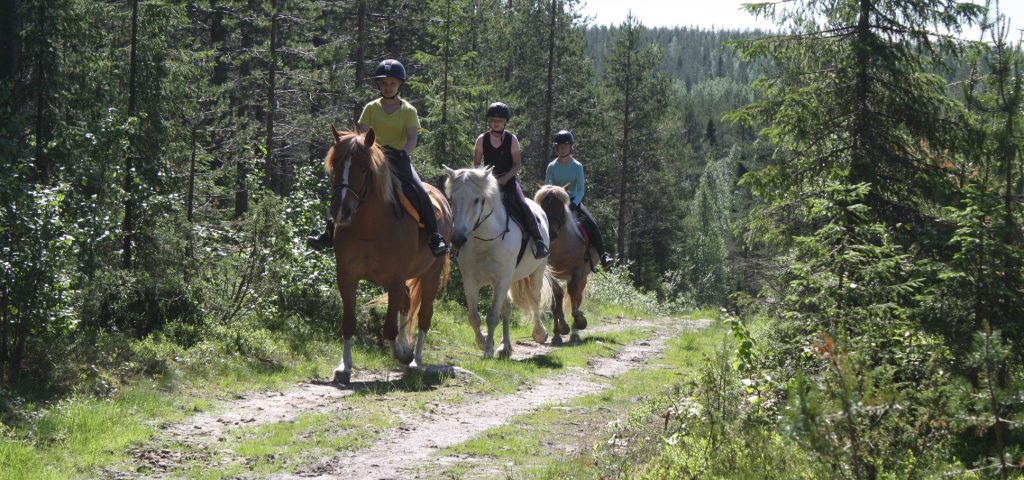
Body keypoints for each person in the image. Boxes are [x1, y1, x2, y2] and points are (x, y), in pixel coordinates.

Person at [307, 59, 449, 257]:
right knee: (346, 186)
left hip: (399, 160)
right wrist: (368, 153)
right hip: (372, 160)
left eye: (392, 83)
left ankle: (434, 236)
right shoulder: (370, 108)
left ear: (400, 84)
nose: (388, 87)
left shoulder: (409, 110)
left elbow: (412, 139)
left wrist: (403, 153)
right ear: (378, 85)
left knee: (420, 192)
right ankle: (329, 232)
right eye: (384, 83)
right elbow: (362, 137)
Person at [473, 102, 548, 258]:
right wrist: (483, 178)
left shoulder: (511, 139)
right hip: (488, 183)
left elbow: (517, 164)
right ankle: (460, 240)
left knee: (523, 205)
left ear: (505, 121)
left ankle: (538, 240)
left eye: (500, 120)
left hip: (508, 181)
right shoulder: (482, 139)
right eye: (493, 119)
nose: (496, 122)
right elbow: (476, 164)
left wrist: (505, 178)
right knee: (469, 202)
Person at [545, 129, 611, 268]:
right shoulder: (551, 166)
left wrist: (574, 204)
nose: (563, 149)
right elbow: (548, 186)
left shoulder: (577, 166)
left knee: (592, 224)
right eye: (560, 146)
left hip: (573, 200)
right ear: (556, 148)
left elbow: (581, 189)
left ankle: (603, 255)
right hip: (556, 202)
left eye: (566, 146)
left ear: (570, 148)